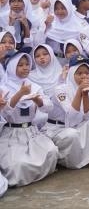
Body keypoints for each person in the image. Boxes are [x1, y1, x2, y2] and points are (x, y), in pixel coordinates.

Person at [0, 51, 59, 187]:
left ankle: (37, 174)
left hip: (31, 132)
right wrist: (19, 94)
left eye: (27, 64)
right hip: (11, 134)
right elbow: (4, 114)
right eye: (20, 65)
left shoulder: (34, 86)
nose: (25, 67)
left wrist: (38, 100)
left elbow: (48, 107)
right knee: (19, 165)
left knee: (51, 152)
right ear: (11, 67)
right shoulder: (3, 88)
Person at [43, 54, 89, 168]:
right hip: (57, 129)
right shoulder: (60, 90)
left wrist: (85, 94)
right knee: (72, 134)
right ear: (72, 74)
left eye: (87, 73)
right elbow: (71, 117)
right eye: (79, 73)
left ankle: (88, 156)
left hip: (75, 125)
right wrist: (80, 91)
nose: (84, 76)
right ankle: (68, 161)